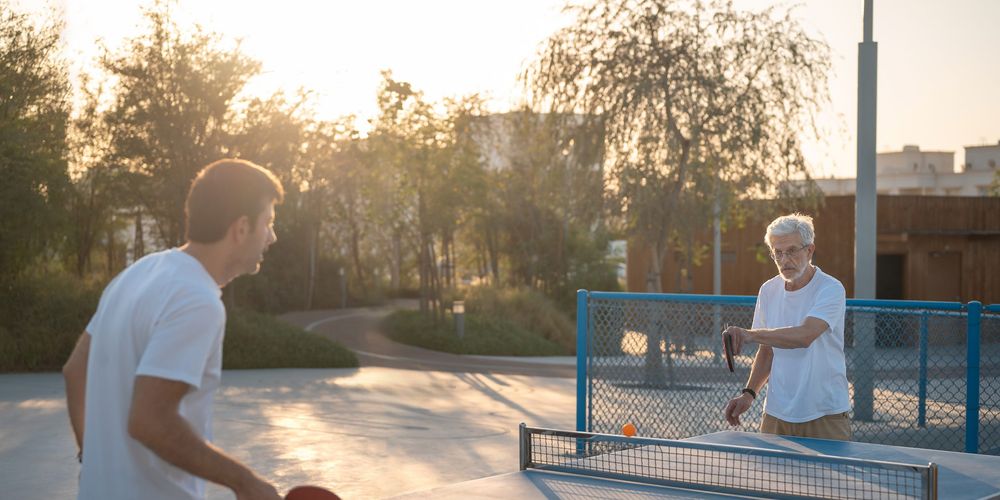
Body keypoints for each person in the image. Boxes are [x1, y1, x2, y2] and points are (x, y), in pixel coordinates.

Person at [62, 159, 285, 500]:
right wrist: (245, 481)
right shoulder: (198, 302)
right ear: (241, 228)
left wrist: (92, 458)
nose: (272, 236)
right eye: (267, 222)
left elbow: (76, 370)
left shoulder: (137, 274)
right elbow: (150, 421)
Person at [721, 213, 851, 440]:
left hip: (825, 414)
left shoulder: (830, 289)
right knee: (773, 477)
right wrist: (749, 394)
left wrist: (749, 335)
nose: (784, 259)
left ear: (809, 250)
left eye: (791, 251)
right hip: (776, 415)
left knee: (827, 478)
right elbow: (767, 351)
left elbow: (805, 335)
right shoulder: (768, 290)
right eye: (777, 252)